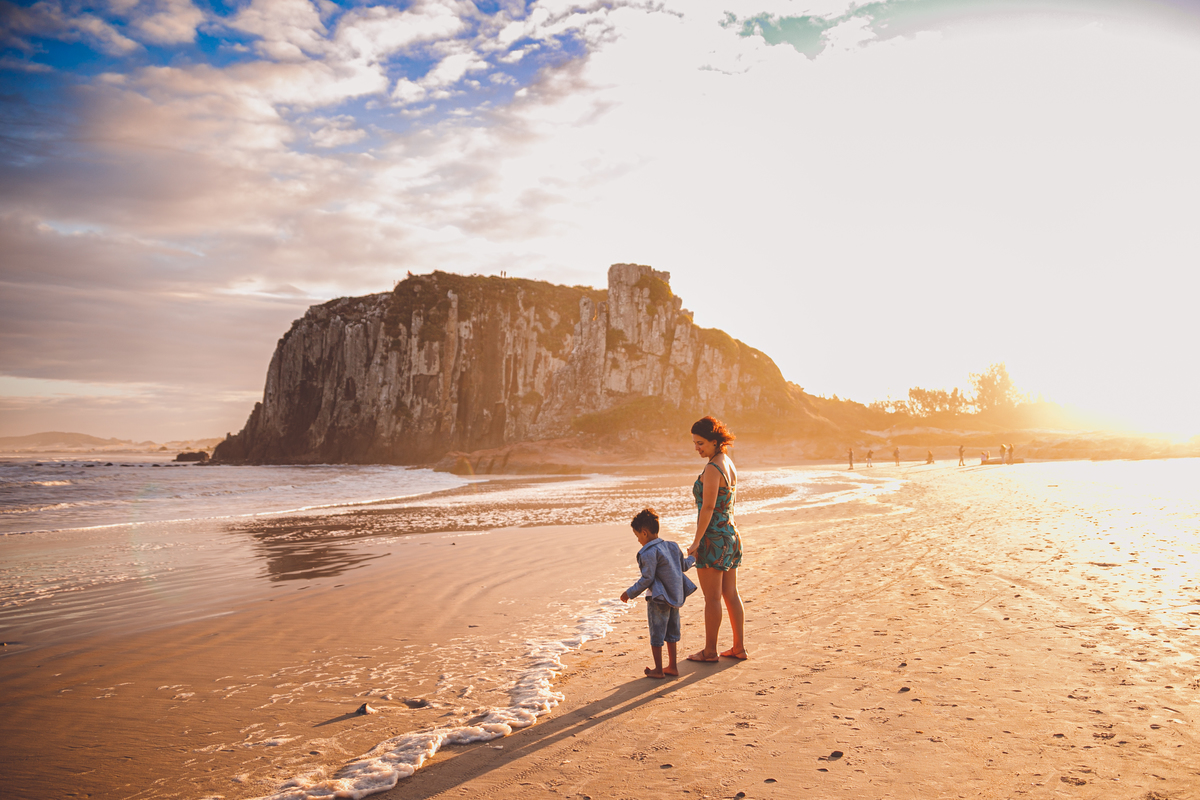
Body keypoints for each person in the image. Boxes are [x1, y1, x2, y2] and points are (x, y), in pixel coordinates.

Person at [686, 416, 747, 662]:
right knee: (731, 594)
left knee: (712, 598)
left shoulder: (712, 468)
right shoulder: (727, 463)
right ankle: (738, 647)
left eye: (700, 443)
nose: (697, 448)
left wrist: (696, 541)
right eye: (694, 443)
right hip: (731, 535)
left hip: (714, 538)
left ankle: (710, 651)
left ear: (714, 441)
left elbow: (708, 508)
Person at [621, 508, 696, 679]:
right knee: (671, 633)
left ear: (645, 533)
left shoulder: (648, 552)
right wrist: (693, 558)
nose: (638, 540)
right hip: (674, 597)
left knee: (657, 633)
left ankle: (659, 669)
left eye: (637, 536)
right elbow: (683, 566)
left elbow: (647, 579)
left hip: (658, 599)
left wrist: (629, 592)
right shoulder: (672, 546)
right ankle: (673, 667)